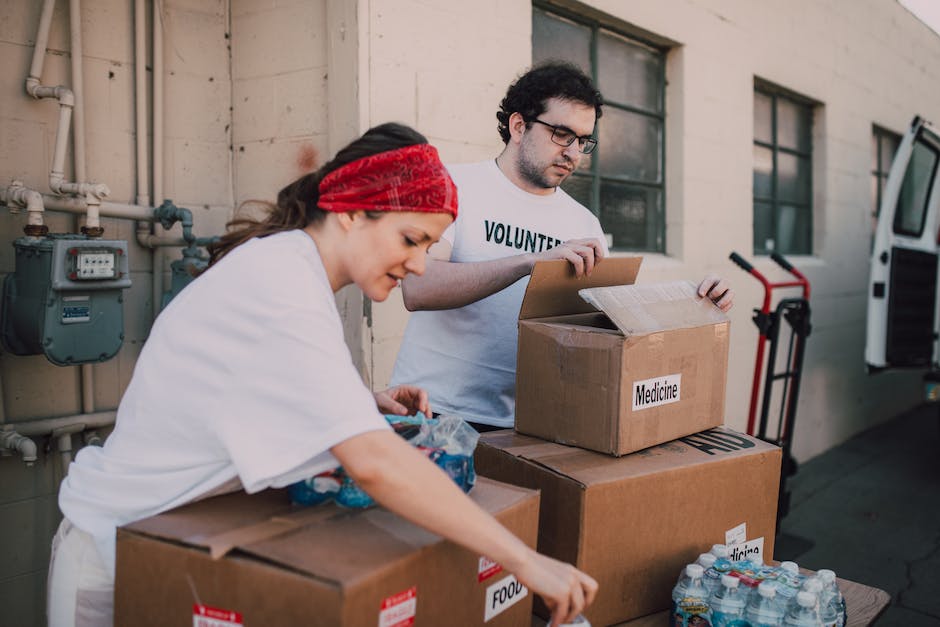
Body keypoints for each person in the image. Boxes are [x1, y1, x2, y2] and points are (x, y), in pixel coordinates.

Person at [48, 123, 597, 627]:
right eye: (411, 239)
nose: (421, 266)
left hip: (174, 540)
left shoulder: (292, 269)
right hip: (119, 554)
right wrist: (524, 559)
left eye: (430, 247)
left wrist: (361, 401)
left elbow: (253, 384)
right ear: (352, 212)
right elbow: (378, 467)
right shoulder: (282, 285)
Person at [391, 62, 733, 432]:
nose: (574, 153)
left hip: (524, 424)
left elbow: (606, 325)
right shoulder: (453, 185)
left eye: (583, 141)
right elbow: (417, 288)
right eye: (561, 134)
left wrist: (696, 303)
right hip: (430, 411)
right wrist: (529, 261)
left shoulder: (584, 225)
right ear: (518, 126)